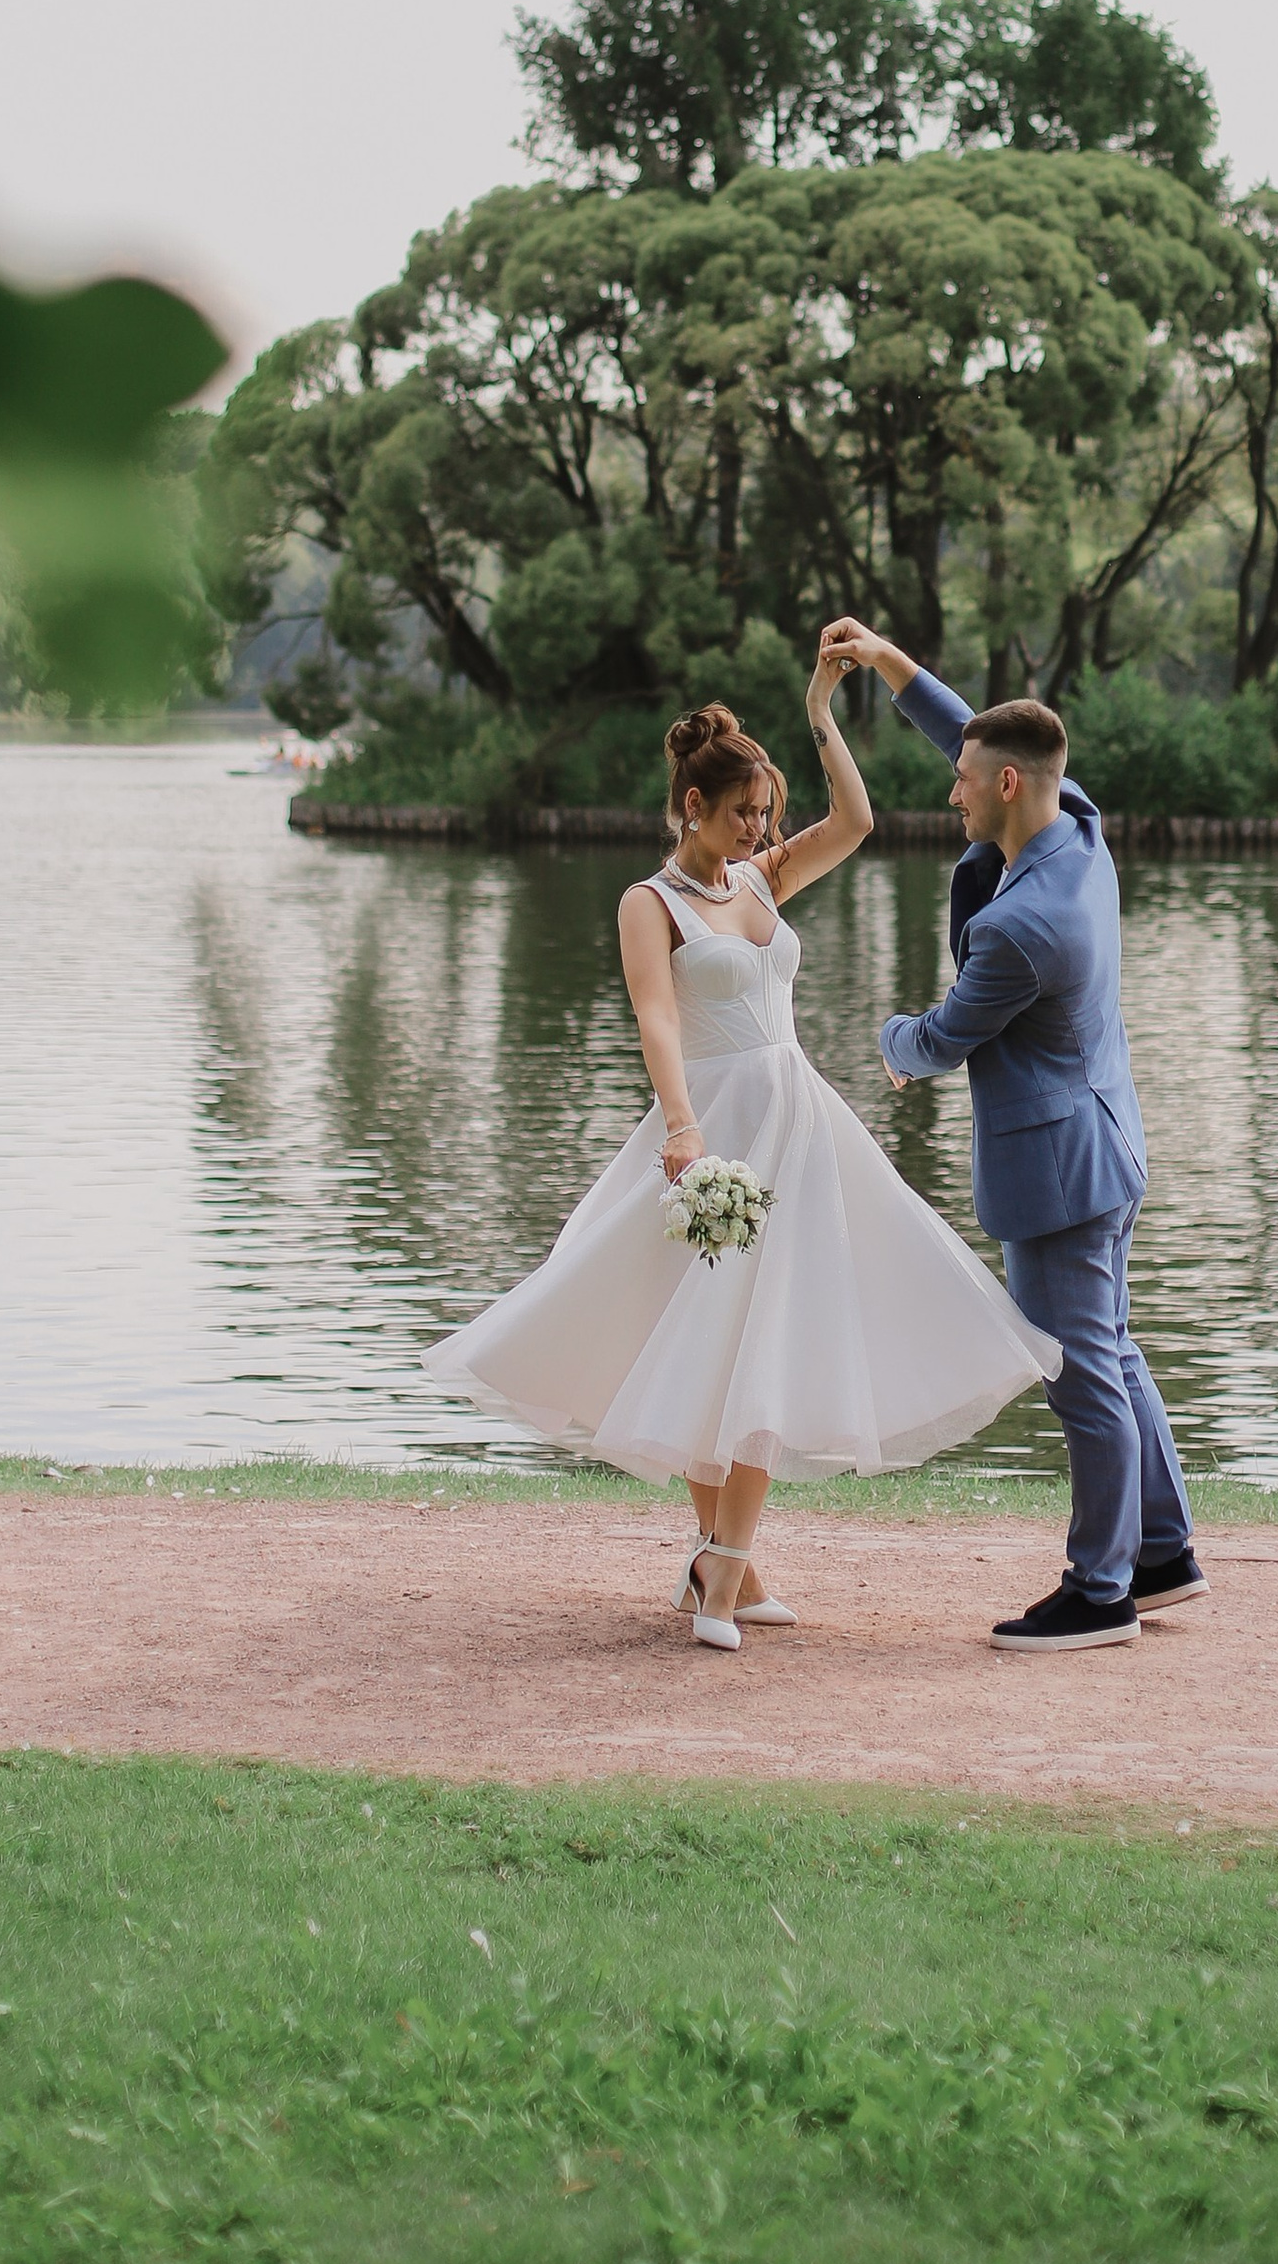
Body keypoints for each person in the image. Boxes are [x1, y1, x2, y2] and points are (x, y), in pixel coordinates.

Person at [425, 644, 1060, 1648]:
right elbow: (656, 1019)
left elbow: (856, 821)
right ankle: (723, 1567)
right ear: (689, 805)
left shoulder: (761, 882)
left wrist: (820, 708)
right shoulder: (652, 904)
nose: (756, 832)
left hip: (797, 1125)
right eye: (739, 815)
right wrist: (681, 1127)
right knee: (707, 1340)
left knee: (771, 1330)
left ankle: (724, 1569)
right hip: (714, 1130)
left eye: (763, 815)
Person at [820, 618, 1204, 1655]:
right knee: (1111, 1353)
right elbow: (974, 735)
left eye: (961, 782)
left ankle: (1102, 1591)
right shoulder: (1074, 822)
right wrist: (889, 661)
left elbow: (943, 1039)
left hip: (1057, 1175)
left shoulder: (1019, 927)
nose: (949, 791)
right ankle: (1161, 1551)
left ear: (1001, 791)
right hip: (1103, 1141)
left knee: (1076, 1372)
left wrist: (887, 1038)